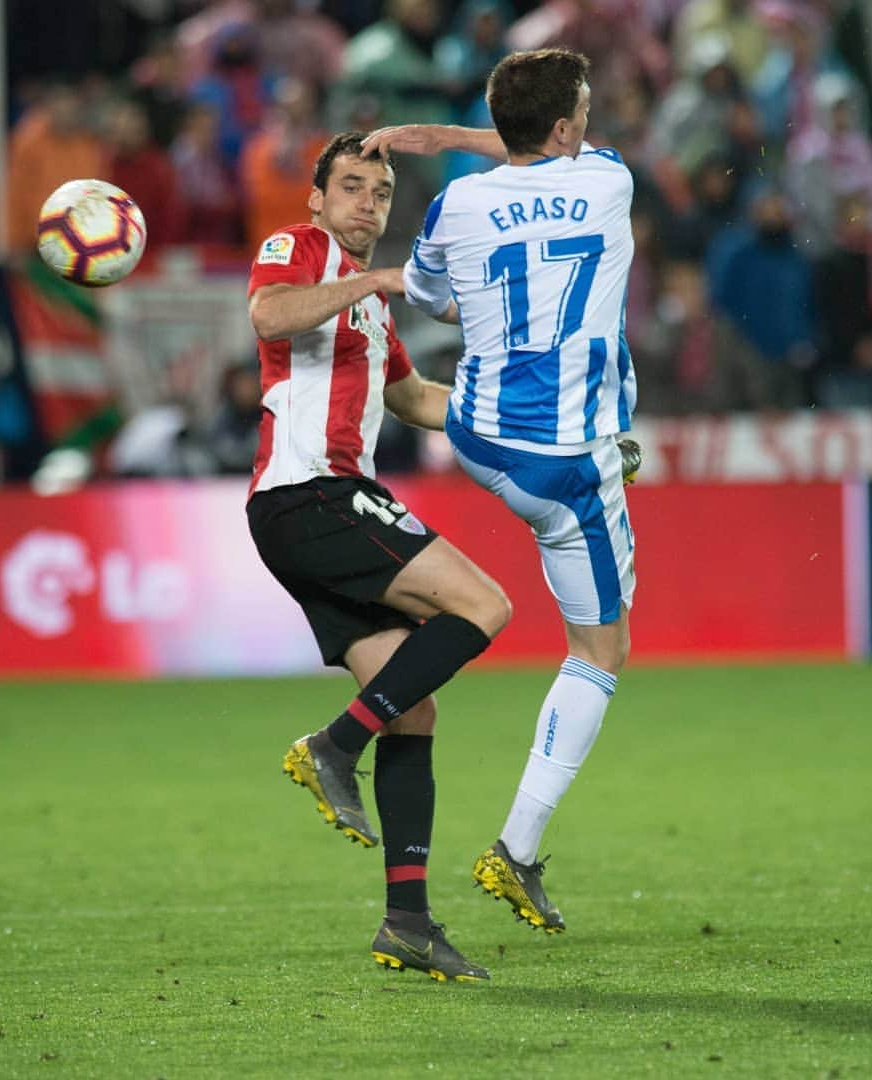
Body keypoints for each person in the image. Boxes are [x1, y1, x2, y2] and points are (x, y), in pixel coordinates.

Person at [363, 47, 641, 935]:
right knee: (601, 650)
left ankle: (371, 369)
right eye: (583, 110)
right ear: (567, 128)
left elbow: (438, 298)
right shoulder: (607, 181)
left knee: (533, 369)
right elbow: (541, 153)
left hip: (477, 435)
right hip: (563, 462)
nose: (591, 122)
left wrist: (441, 141)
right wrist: (457, 136)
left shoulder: (454, 203)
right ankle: (515, 851)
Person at [246, 131, 512, 982]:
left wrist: (515, 419)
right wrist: (370, 277)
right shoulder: (301, 250)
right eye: (352, 187)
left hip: (310, 511)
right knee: (484, 606)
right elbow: (269, 313)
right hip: (310, 493)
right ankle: (333, 745)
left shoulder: (370, 308)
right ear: (318, 198)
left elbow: (412, 399)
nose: (368, 203)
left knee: (415, 708)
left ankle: (406, 920)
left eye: (381, 192)